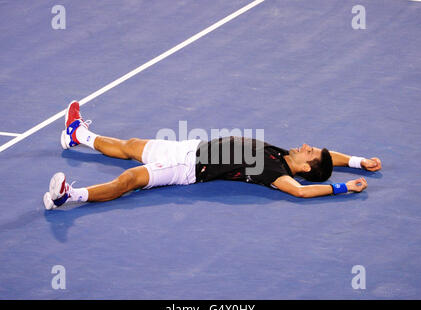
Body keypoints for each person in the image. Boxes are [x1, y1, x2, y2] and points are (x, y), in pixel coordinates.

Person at [43, 101, 382, 210]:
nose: (305, 144)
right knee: (131, 145)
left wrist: (344, 188)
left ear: (307, 165)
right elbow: (328, 158)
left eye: (309, 151)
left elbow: (302, 191)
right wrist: (357, 161)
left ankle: (69, 195)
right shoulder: (286, 155)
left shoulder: (277, 172)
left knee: (130, 179)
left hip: (186, 166)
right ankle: (77, 135)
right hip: (188, 147)